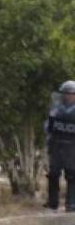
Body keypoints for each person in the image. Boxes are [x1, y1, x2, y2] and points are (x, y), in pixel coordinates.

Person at [46, 81, 75, 212]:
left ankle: (71, 203)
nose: (67, 96)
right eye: (65, 93)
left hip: (72, 147)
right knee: (53, 175)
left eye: (70, 94)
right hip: (57, 146)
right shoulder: (56, 109)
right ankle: (52, 203)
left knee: (72, 176)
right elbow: (49, 127)